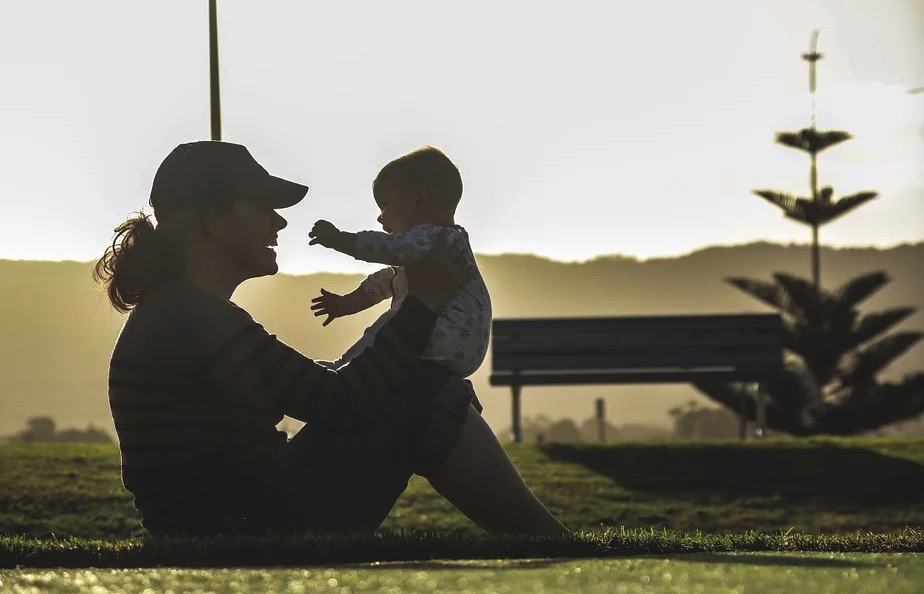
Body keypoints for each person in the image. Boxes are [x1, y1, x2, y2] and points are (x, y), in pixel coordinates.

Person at [94, 140, 568, 537]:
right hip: (244, 527)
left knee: (424, 387)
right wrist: (423, 302)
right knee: (429, 391)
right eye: (262, 208)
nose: (278, 223)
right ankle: (556, 548)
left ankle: (553, 545)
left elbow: (320, 391)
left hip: (233, 519)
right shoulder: (189, 318)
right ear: (211, 220)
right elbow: (341, 401)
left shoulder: (179, 313)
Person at [307, 146, 491, 383]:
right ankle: (345, 369)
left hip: (445, 334)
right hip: (460, 348)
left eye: (384, 205)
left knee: (387, 329)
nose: (380, 218)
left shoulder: (437, 238)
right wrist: (345, 304)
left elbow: (388, 248)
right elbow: (388, 282)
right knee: (394, 329)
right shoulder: (440, 247)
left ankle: (344, 370)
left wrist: (339, 239)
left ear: (419, 199)